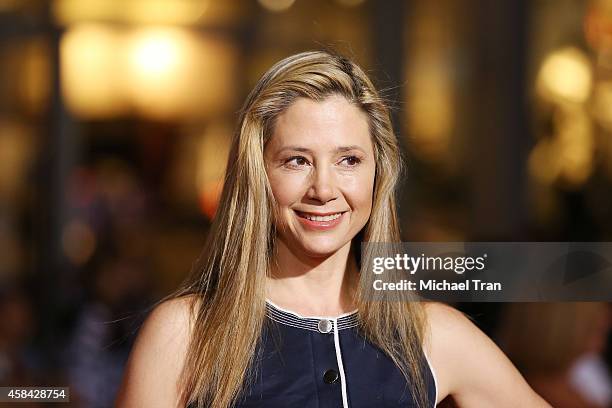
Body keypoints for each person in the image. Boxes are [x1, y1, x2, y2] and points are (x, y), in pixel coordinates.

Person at [115, 50, 549, 408]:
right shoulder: (186, 334)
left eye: (348, 160)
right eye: (296, 160)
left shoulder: (433, 336)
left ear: (379, 175)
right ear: (258, 175)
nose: (323, 188)